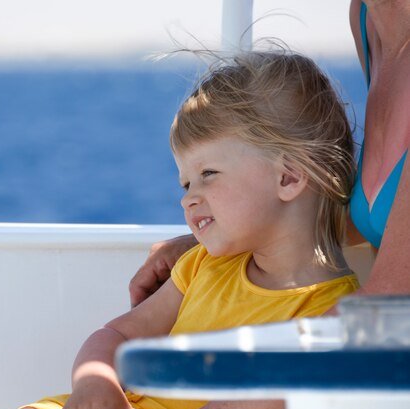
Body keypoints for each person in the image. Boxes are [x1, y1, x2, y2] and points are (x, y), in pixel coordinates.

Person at [0, 50, 360, 409]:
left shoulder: (331, 318)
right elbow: (117, 336)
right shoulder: (202, 265)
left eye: (208, 174)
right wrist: (96, 382)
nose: (188, 199)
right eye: (185, 183)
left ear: (288, 178)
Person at [129, 0, 410, 310]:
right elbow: (383, 214)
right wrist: (216, 233)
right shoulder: (367, 17)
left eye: (208, 174)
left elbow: (390, 298)